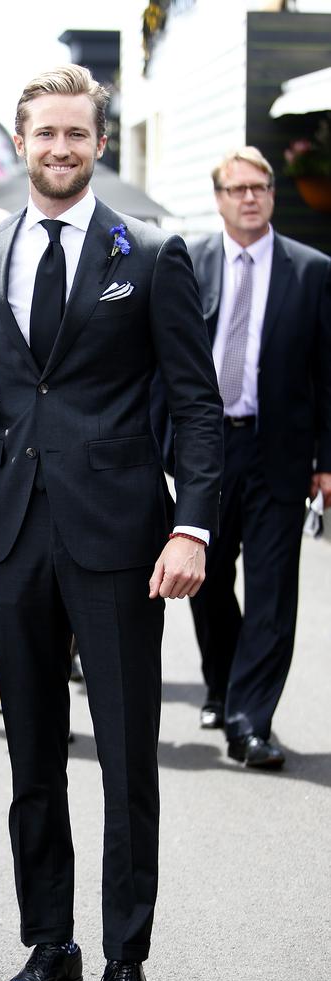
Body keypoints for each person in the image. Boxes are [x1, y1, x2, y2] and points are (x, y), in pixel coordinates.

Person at [0, 66, 222, 981]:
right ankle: (51, 947)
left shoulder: (151, 253)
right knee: (30, 756)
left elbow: (196, 405)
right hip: (10, 532)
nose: (61, 150)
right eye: (45, 135)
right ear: (21, 143)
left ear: (99, 144)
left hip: (120, 535)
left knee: (124, 759)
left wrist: (191, 525)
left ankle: (124, 958)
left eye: (78, 135)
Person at [186, 147, 331, 768]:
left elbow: (328, 374)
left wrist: (325, 459)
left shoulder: (312, 270)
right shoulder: (188, 262)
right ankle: (222, 683)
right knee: (208, 580)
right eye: (237, 188)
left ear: (272, 194)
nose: (250, 197)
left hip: (279, 451)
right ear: (218, 197)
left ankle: (250, 720)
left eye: (261, 187)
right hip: (207, 452)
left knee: (273, 592)